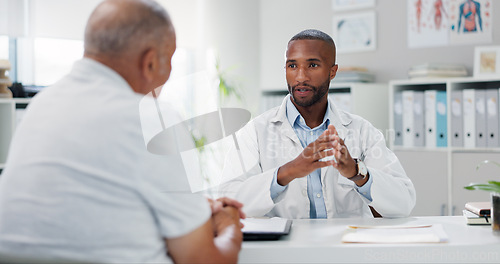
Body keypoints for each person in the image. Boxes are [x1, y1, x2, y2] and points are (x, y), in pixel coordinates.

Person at [0, 0, 244, 263]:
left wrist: (189, 212)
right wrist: (228, 223)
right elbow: (203, 261)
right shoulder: (150, 117)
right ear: (150, 62)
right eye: (170, 61)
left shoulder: (41, 105)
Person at [220, 29, 416, 219]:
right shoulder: (254, 132)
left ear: (333, 72)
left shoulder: (361, 131)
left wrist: (358, 173)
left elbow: (404, 202)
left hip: (345, 247)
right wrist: (286, 173)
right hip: (285, 250)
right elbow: (228, 202)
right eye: (292, 66)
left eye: (312, 65)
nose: (301, 77)